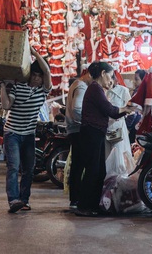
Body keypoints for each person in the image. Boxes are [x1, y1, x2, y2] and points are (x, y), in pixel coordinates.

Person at [75, 62, 133, 217]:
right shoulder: (95, 88)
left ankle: (93, 205)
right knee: (93, 171)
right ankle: (84, 206)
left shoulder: (98, 89)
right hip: (92, 133)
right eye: (111, 74)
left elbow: (110, 110)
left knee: (99, 171)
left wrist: (124, 110)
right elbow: (110, 110)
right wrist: (126, 110)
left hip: (96, 133)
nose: (112, 79)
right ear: (103, 73)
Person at [0, 47, 51, 214]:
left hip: (29, 134)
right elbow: (7, 105)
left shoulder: (43, 91)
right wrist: (2, 87)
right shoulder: (18, 86)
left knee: (29, 169)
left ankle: (24, 200)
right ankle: (13, 200)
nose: (37, 79)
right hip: (12, 133)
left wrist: (35, 54)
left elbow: (48, 71)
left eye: (39, 76)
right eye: (34, 75)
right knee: (14, 167)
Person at [65, 68, 93, 209]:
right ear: (88, 74)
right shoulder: (81, 86)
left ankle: (75, 199)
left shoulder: (76, 84)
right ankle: (76, 199)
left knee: (77, 165)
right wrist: (86, 122)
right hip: (78, 130)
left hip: (74, 130)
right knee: (80, 165)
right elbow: (77, 108)